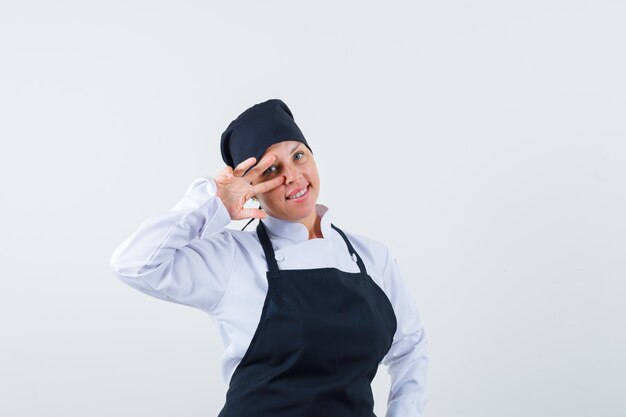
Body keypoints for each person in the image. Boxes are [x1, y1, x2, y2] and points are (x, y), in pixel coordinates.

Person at [110, 99, 429, 417]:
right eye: (271, 169)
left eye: (299, 156)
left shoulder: (371, 257)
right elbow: (134, 263)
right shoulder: (231, 257)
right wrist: (214, 201)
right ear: (251, 187)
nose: (293, 176)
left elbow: (410, 347)